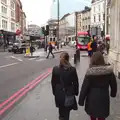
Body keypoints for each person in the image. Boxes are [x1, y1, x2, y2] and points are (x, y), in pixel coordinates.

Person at [78, 51, 117, 120]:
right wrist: (113, 94)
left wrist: (81, 100)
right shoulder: (109, 71)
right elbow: (114, 84)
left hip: (92, 97)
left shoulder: (90, 72)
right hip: (104, 96)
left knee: (92, 116)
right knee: (102, 116)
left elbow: (84, 87)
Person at [51, 52, 79, 120]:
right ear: (68, 59)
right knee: (67, 111)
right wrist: (76, 92)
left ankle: (61, 118)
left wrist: (55, 92)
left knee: (61, 110)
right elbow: (75, 83)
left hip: (59, 93)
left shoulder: (55, 69)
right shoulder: (72, 69)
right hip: (68, 93)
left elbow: (53, 83)